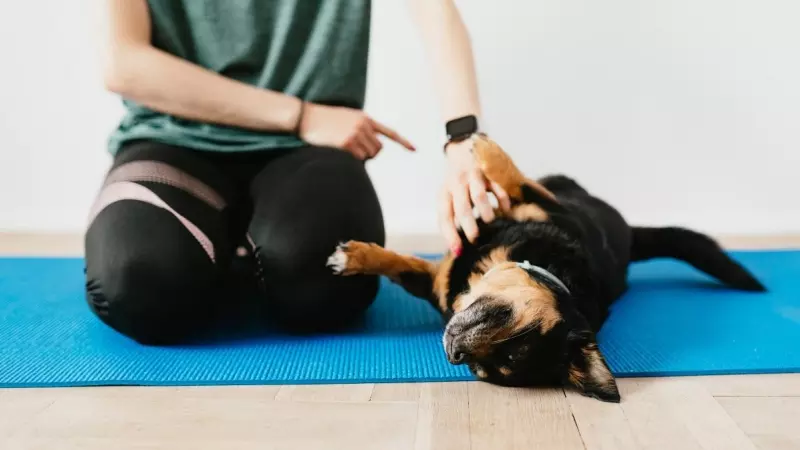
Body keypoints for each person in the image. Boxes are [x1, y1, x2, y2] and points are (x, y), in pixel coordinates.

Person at [85, 0, 511, 345]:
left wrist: (464, 142)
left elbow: (435, 10)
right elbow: (123, 62)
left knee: (325, 286)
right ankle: (220, 258)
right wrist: (300, 115)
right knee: (136, 285)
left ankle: (239, 260)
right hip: (172, 140)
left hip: (307, 153)